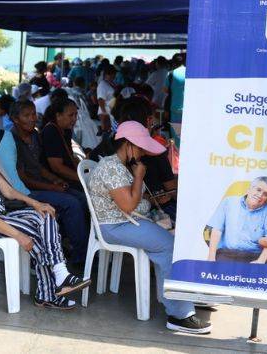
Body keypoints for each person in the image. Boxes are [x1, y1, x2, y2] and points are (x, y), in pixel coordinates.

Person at [0, 117, 91, 309]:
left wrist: (36, 203)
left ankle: (58, 275)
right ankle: (51, 287)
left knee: (45, 214)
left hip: (0, 215)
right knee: (37, 233)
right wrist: (19, 236)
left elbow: (8, 191)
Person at [87, 121, 210, 334]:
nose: (143, 152)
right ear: (129, 145)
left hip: (128, 221)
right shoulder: (111, 167)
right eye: (141, 147)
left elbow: (133, 199)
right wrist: (139, 176)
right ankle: (179, 315)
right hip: (116, 226)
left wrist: (150, 198)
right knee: (169, 246)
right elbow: (127, 205)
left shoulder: (119, 166)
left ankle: (182, 295)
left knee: (177, 240)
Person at [10, 100, 89, 265]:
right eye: (27, 115)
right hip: (25, 192)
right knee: (72, 203)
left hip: (42, 184)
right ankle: (80, 257)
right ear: (15, 119)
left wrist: (56, 180)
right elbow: (23, 178)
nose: (32, 118)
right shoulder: (12, 140)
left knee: (81, 198)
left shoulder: (35, 136)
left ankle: (73, 246)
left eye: (33, 114)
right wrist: (51, 187)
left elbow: (39, 167)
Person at [206, 177, 267, 263]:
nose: (260, 195)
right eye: (258, 190)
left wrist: (260, 261)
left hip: (255, 256)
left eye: (265, 194)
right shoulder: (229, 202)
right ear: (249, 189)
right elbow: (217, 230)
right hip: (227, 254)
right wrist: (211, 257)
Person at [41, 98, 82, 191]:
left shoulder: (66, 129)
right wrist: (82, 179)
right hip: (59, 180)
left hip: (70, 175)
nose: (75, 119)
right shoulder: (50, 132)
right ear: (58, 116)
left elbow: (70, 156)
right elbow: (57, 168)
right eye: (71, 115)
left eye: (76, 114)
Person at [96, 65, 117, 132]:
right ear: (107, 74)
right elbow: (100, 99)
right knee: (106, 131)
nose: (114, 76)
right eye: (112, 74)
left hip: (111, 111)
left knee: (111, 130)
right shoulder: (103, 84)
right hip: (106, 112)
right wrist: (104, 113)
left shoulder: (111, 83)